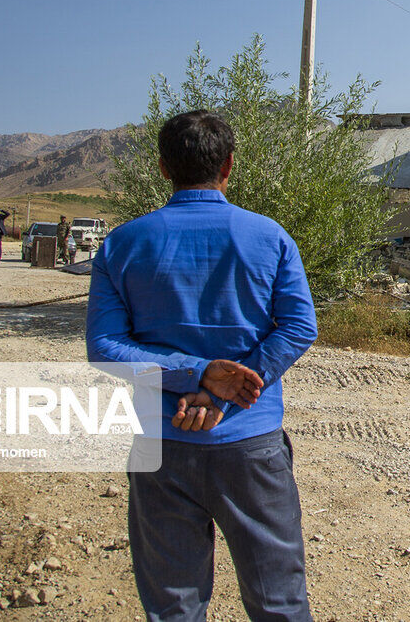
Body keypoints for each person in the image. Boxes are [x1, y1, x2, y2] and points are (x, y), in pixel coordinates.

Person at [86, 109, 317, 622]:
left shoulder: (121, 244)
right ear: (229, 165)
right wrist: (224, 387)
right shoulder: (269, 236)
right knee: (278, 598)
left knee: (174, 604)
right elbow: (300, 327)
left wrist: (195, 376)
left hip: (161, 443)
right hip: (250, 443)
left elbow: (105, 348)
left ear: (164, 169)